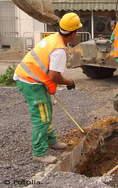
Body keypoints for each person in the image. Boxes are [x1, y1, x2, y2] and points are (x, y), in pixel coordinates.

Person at [13, 13, 82, 164]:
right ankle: (39, 152)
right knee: (42, 117)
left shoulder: (53, 38)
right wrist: (69, 82)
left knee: (47, 110)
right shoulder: (59, 50)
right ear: (74, 33)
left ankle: (51, 140)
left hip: (31, 78)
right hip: (30, 82)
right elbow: (55, 76)